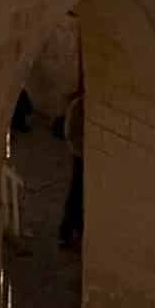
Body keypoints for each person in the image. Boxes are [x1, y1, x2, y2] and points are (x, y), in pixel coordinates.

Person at [58, 84, 85, 249]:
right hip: (80, 158)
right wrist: (82, 152)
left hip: (88, 158)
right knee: (76, 195)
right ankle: (66, 234)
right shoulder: (76, 107)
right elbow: (70, 136)